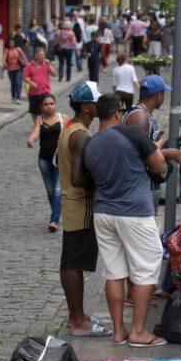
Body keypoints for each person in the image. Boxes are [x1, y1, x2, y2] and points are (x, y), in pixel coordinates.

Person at [83, 93, 168, 348]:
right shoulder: (132, 134)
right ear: (118, 114)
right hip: (134, 212)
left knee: (114, 272)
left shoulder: (92, 143)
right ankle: (139, 332)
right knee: (146, 268)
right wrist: (156, 150)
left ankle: (118, 331)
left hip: (104, 213)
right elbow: (158, 165)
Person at [58, 81, 111, 337]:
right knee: (74, 264)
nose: (99, 105)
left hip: (72, 204)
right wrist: (104, 181)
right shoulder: (81, 135)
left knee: (69, 262)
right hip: (82, 204)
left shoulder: (70, 126)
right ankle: (78, 321)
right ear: (87, 107)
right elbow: (79, 178)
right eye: (96, 101)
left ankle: (75, 316)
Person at [123, 75, 181, 211]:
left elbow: (149, 146)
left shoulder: (144, 115)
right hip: (141, 190)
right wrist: (167, 153)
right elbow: (137, 156)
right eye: (164, 94)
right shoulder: (139, 117)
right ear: (159, 94)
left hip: (148, 188)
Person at [27, 94, 65, 232]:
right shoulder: (40, 119)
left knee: (57, 190)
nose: (49, 106)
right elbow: (36, 132)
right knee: (50, 191)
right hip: (44, 160)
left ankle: (54, 220)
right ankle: (57, 212)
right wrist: (31, 139)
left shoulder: (63, 119)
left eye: (51, 103)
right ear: (41, 107)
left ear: (55, 104)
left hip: (60, 160)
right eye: (46, 104)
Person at [24, 48, 57, 122]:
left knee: (47, 109)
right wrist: (31, 83)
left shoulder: (46, 64)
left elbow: (54, 74)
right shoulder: (30, 65)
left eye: (44, 54)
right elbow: (24, 77)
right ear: (36, 55)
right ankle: (36, 125)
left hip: (45, 92)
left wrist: (49, 65)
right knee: (34, 111)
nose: (44, 56)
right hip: (33, 93)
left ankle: (46, 124)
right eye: (41, 54)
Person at [3, 38, 28, 104]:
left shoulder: (18, 49)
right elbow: (4, 58)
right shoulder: (7, 50)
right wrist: (3, 63)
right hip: (10, 69)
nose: (11, 44)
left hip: (18, 68)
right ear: (8, 44)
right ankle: (13, 96)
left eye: (12, 43)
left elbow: (24, 56)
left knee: (18, 82)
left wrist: (27, 64)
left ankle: (18, 98)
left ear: (14, 43)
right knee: (13, 84)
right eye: (10, 43)